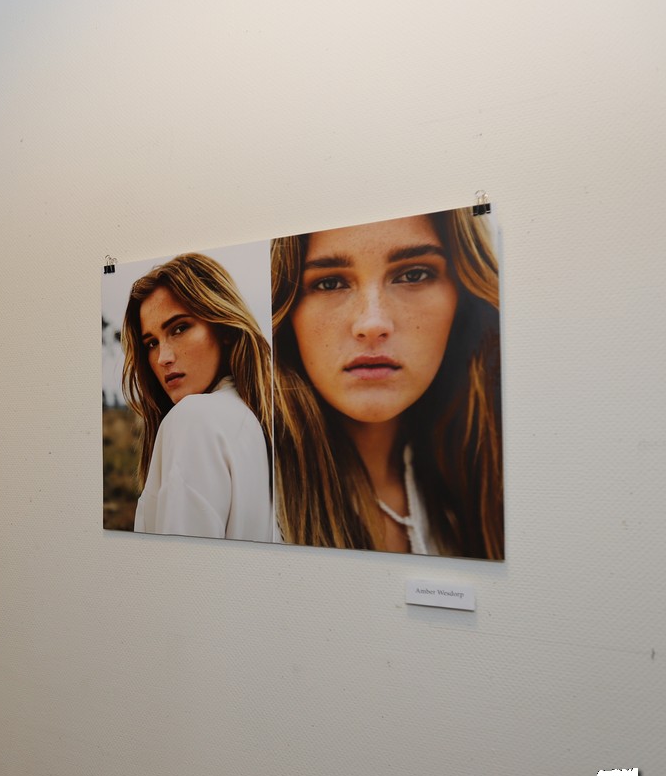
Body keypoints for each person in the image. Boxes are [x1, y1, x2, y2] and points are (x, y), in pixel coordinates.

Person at [271, 207, 503, 558]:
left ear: (462, 296)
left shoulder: (490, 479)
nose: (372, 323)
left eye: (413, 275)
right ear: (287, 311)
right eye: (330, 283)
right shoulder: (241, 474)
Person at [120, 253, 273, 541]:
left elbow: (180, 563)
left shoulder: (195, 418)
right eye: (151, 343)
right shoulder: (254, 422)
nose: (163, 358)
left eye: (179, 328)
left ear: (223, 328)